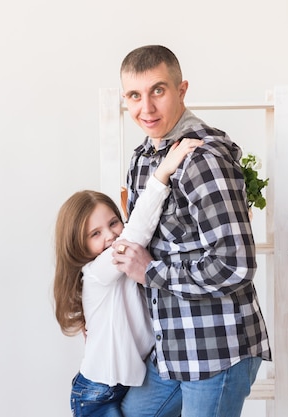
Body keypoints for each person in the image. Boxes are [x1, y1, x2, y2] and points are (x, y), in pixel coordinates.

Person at [111, 45, 272, 417]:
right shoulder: (142, 159)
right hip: (170, 349)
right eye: (135, 95)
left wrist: (150, 271)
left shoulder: (203, 158)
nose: (146, 109)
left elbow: (234, 265)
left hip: (217, 348)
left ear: (181, 90)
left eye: (158, 91)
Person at [54, 138, 204, 417]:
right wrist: (162, 174)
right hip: (97, 393)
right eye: (95, 234)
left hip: (120, 385)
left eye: (113, 223)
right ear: (78, 245)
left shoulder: (124, 268)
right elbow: (137, 231)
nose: (110, 236)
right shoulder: (98, 271)